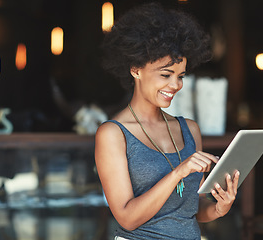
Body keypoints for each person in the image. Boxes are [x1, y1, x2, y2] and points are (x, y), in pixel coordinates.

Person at [95, 2, 240, 239]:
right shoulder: (113, 134)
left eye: (180, 76)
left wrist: (217, 208)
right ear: (135, 69)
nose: (175, 85)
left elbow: (194, 208)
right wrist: (177, 173)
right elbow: (127, 218)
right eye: (165, 74)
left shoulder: (189, 130)